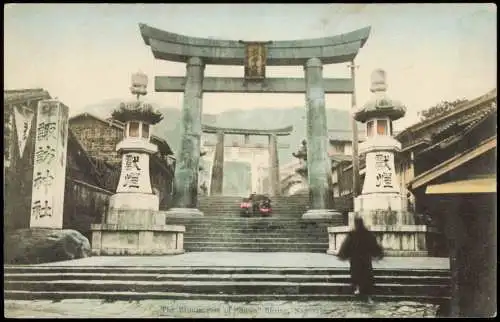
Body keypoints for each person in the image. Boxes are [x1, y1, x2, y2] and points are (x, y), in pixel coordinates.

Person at [337, 217, 383, 303]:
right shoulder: (367, 234)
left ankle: (358, 288)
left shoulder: (352, 234)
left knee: (356, 273)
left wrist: (342, 255)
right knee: (365, 273)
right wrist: (378, 253)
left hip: (355, 258)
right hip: (365, 258)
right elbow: (374, 244)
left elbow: (346, 245)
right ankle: (365, 290)